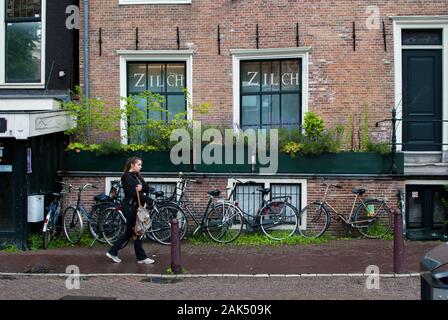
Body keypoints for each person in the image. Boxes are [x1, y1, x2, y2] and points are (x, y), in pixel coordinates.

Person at [106, 157, 155, 264]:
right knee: (134, 232)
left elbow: (147, 188)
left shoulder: (138, 176)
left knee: (134, 232)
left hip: (137, 207)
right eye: (139, 165)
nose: (140, 167)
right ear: (132, 165)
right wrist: (149, 200)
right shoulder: (126, 176)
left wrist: (141, 187)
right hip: (130, 208)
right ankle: (140, 257)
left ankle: (115, 252)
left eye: (141, 165)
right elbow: (131, 193)